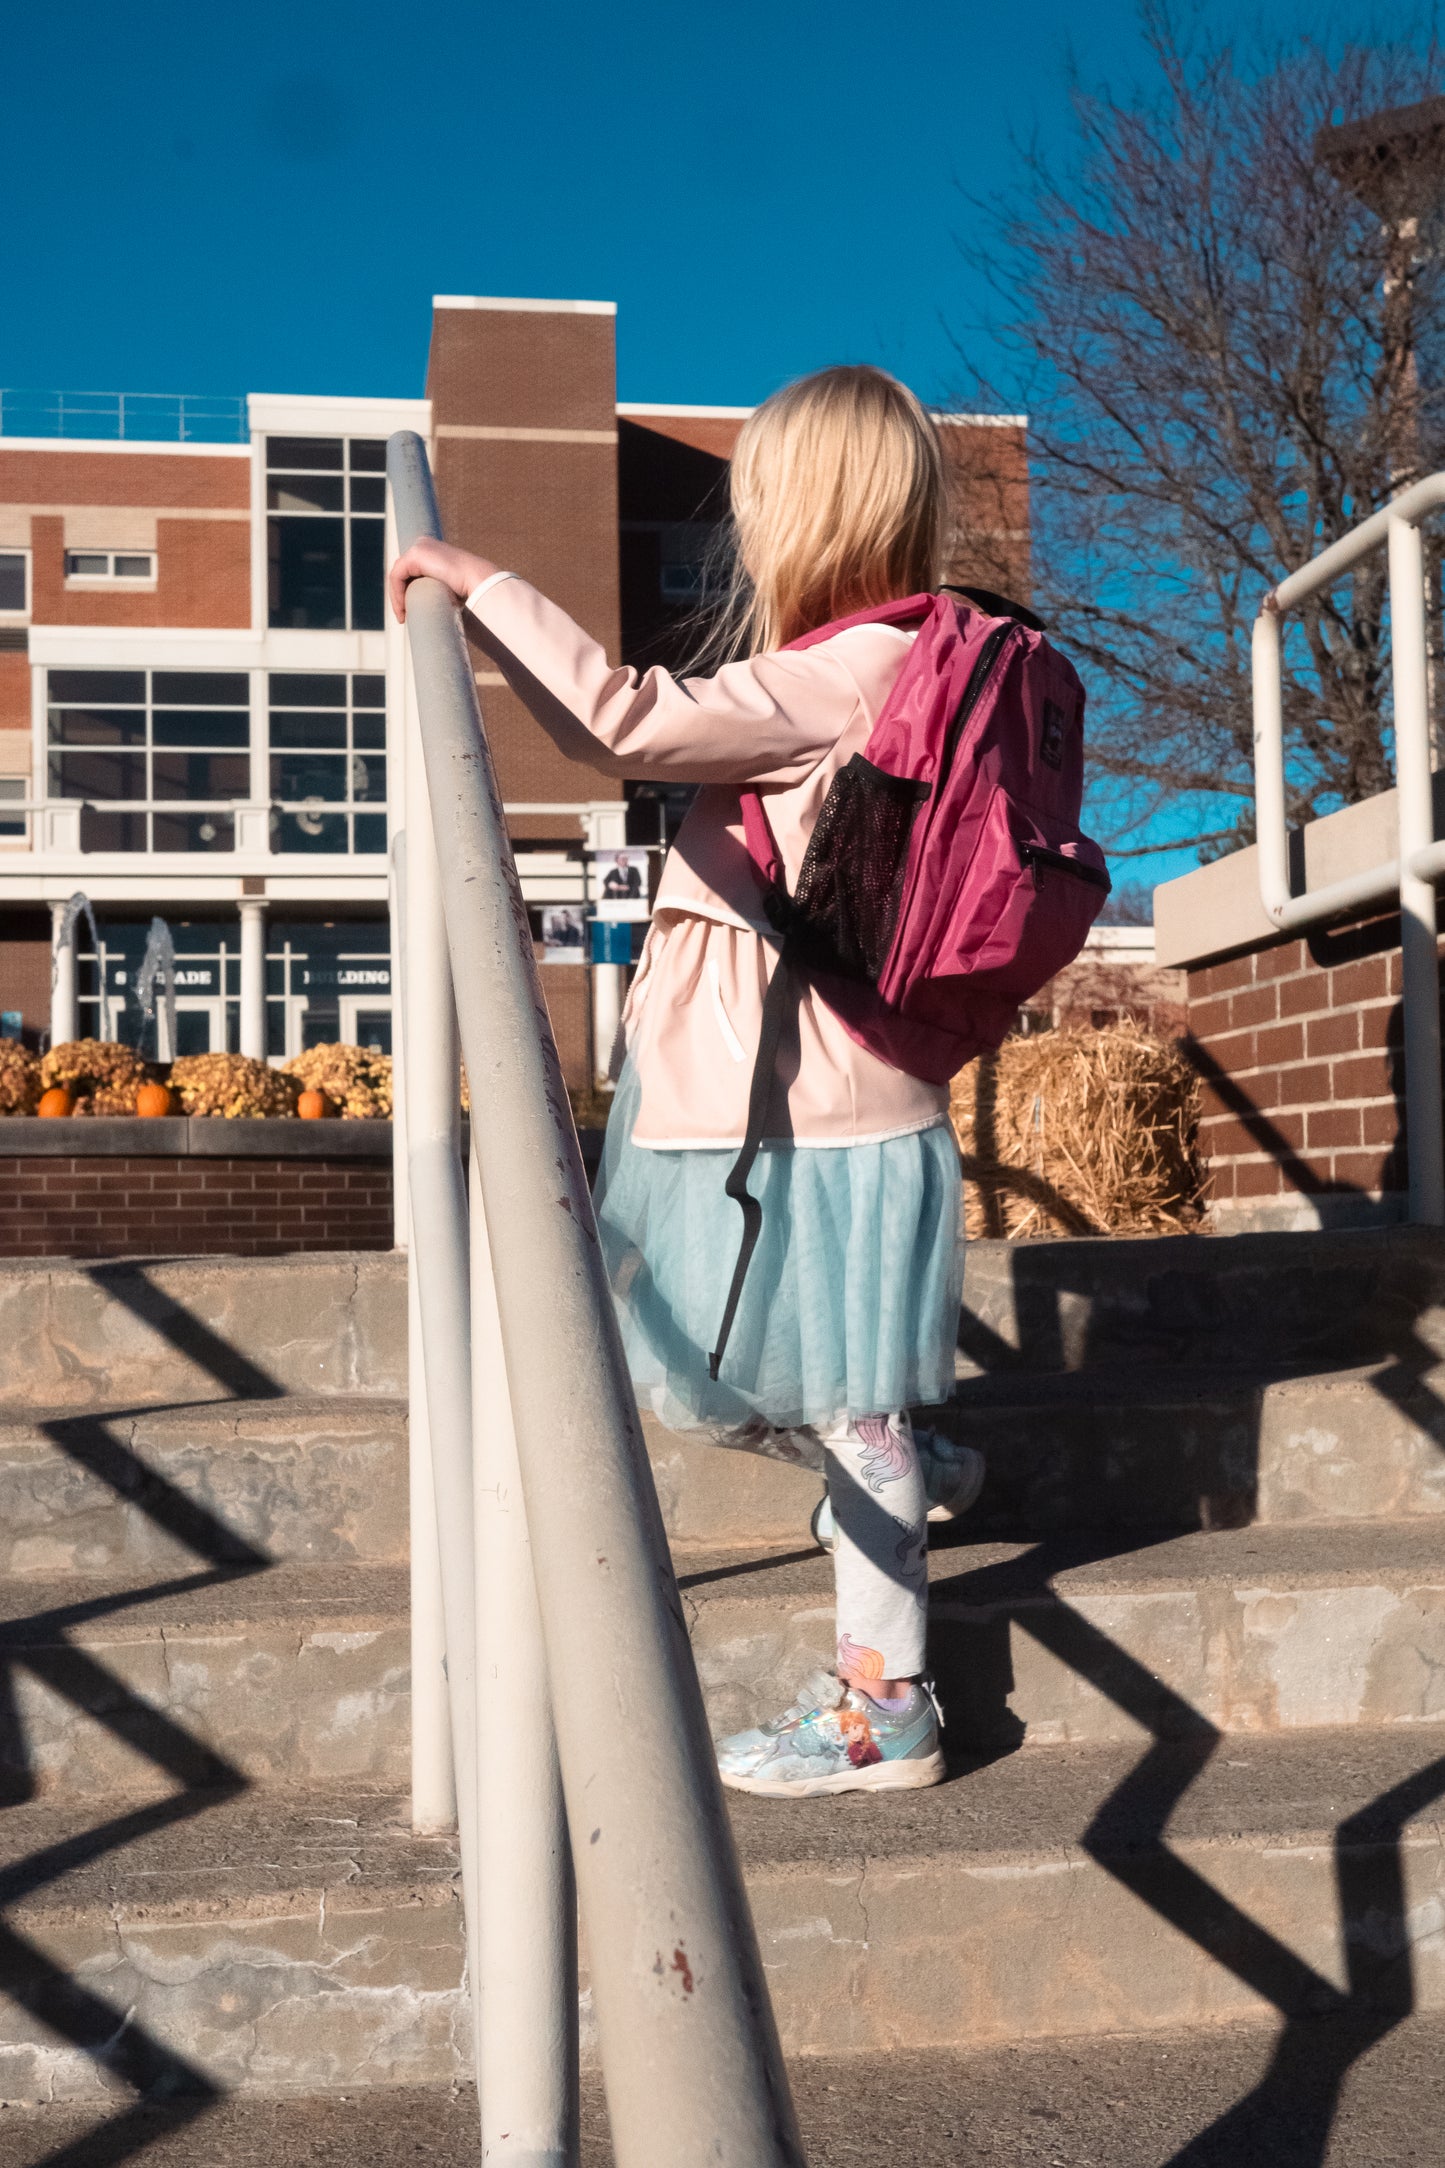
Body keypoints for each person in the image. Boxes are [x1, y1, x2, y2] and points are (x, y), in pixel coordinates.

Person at [390, 363, 984, 1799]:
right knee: (707, 1357)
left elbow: (627, 721)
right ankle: (912, 1469)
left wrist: (476, 581)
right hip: (811, 1098)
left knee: (798, 1388)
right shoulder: (923, 659)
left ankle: (883, 1703)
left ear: (806, 509)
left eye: (755, 499)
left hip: (791, 1116)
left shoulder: (843, 674)